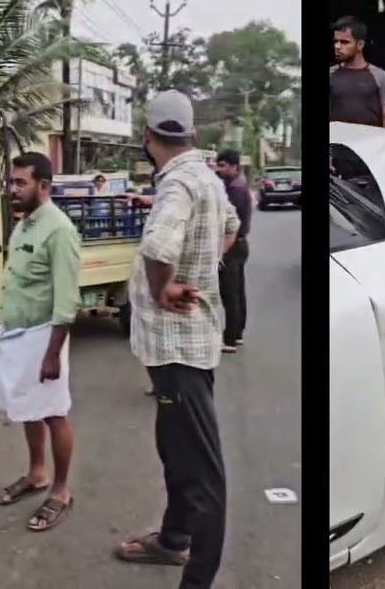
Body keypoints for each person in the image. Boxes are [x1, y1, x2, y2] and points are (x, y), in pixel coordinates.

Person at [113, 90, 239, 589]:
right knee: (175, 448)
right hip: (188, 346)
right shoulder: (203, 176)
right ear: (190, 133)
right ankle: (173, 538)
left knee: (201, 470)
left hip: (178, 348)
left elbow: (158, 244)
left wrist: (165, 285)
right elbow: (231, 226)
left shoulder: (177, 186)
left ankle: (197, 579)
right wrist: (204, 266)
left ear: (148, 137)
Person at [0, 152, 81, 533]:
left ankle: (60, 491)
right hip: (17, 335)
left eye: (20, 183)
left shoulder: (59, 231)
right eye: (12, 182)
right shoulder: (25, 224)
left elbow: (66, 301)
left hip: (44, 336)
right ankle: (37, 473)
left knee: (53, 412)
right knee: (28, 408)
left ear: (43, 186)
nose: (13, 189)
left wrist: (52, 355)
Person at [213, 149, 251, 353]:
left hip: (233, 244)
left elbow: (232, 224)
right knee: (237, 292)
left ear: (234, 166)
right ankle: (237, 334)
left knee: (230, 294)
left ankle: (229, 338)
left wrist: (222, 250)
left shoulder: (235, 189)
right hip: (239, 244)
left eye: (222, 166)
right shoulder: (236, 185)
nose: (219, 170)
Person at [330, 16, 385, 128]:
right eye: (335, 41)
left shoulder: (381, 76)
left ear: (360, 45)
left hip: (370, 141)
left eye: (344, 42)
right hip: (338, 141)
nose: (337, 46)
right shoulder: (330, 74)